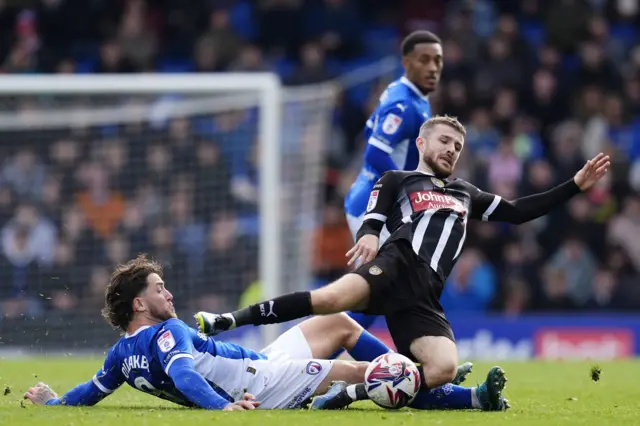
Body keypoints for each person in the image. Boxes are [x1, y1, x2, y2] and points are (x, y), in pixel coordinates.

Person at [195, 115, 610, 407]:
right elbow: (373, 219)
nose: (451, 149)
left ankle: (353, 392)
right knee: (328, 299)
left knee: (443, 367)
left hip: (426, 292)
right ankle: (228, 320)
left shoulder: (467, 193)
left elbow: (519, 211)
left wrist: (575, 185)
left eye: (458, 146)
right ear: (422, 143)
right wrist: (370, 239)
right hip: (396, 264)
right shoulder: (398, 180)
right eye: (445, 141)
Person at [23, 255, 505, 411]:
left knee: (338, 322)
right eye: (159, 288)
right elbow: (188, 377)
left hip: (258, 360)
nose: (169, 295)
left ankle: (416, 375)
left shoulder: (120, 354)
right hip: (256, 381)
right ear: (139, 304)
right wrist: (225, 407)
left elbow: (91, 391)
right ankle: (469, 399)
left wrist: (53, 403)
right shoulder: (165, 333)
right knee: (374, 374)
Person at [343, 30, 442, 332]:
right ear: (406, 62)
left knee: (381, 292)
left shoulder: (408, 95)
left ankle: (318, 358)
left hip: (374, 202)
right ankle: (427, 370)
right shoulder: (404, 105)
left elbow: (373, 132)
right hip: (374, 207)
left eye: (437, 60)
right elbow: (375, 152)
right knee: (399, 287)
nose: (432, 67)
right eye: (424, 60)